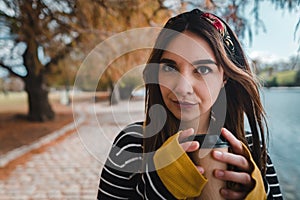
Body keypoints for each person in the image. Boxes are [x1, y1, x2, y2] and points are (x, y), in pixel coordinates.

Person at [97, 9, 282, 199]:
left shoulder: (253, 152)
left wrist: (258, 195)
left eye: (202, 69)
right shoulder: (132, 145)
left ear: (224, 77)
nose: (183, 87)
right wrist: (159, 188)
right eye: (170, 67)